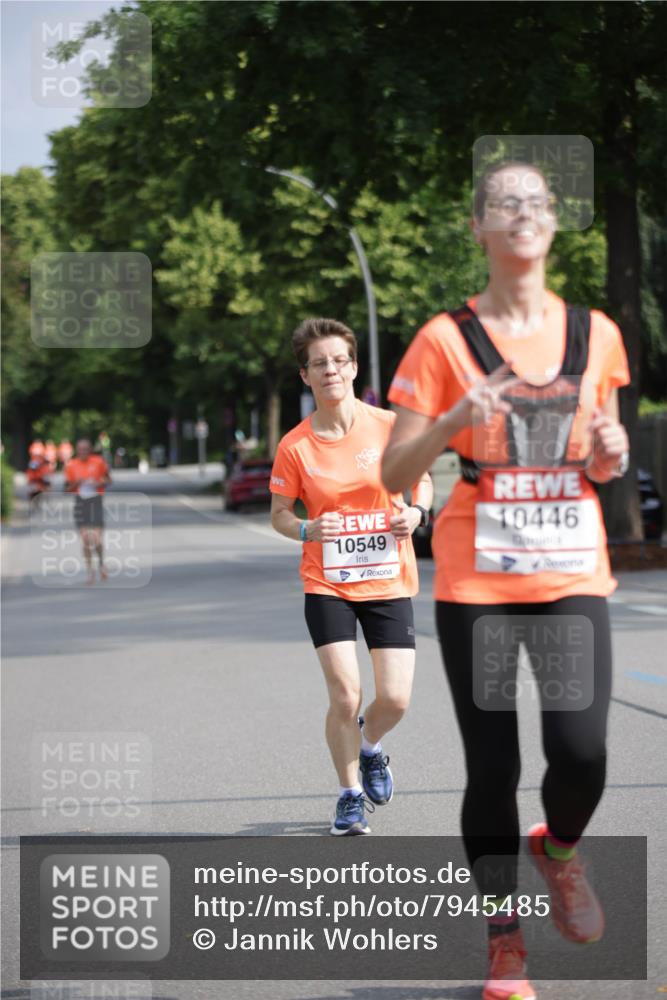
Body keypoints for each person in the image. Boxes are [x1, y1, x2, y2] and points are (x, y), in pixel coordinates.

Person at [382, 162, 630, 1000]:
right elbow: (392, 472)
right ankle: (504, 946)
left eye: (535, 202)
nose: (520, 213)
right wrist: (453, 420)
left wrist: (610, 454)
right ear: (476, 227)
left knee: (581, 751)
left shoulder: (594, 333)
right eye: (502, 203)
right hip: (475, 582)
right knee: (491, 768)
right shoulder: (442, 341)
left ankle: (557, 849)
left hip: (568, 573)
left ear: (553, 223)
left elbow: (602, 455)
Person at [270, 318, 433, 836]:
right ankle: (348, 796)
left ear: (354, 367)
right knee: (345, 696)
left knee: (396, 699)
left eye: (339, 360)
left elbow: (422, 479)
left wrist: (417, 513)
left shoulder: (388, 426)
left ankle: (370, 747)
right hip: (328, 582)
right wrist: (307, 528)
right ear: (306, 376)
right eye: (319, 363)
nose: (330, 370)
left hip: (387, 580)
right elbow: (278, 514)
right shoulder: (295, 446)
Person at [64, 438, 112, 585]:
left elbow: (109, 480)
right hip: (80, 502)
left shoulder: (98, 462)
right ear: (76, 450)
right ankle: (90, 572)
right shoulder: (71, 465)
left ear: (90, 450)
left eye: (86, 449)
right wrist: (75, 483)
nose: (83, 452)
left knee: (96, 538)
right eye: (80, 449)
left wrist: (99, 482)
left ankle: (102, 564)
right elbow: (66, 489)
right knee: (85, 539)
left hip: (95, 500)